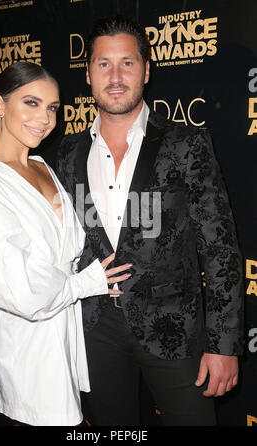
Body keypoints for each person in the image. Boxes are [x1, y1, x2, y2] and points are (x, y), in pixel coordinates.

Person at [55, 16, 244, 426]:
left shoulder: (185, 143)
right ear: (88, 74)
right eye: (104, 64)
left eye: (128, 62)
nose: (116, 75)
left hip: (175, 329)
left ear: (146, 70)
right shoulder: (67, 153)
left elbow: (221, 249)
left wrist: (224, 344)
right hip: (95, 329)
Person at [0, 61, 132, 426]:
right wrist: (88, 283)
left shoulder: (42, 166)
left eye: (52, 108)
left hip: (65, 343)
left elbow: (68, 248)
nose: (46, 118)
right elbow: (22, 292)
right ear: (0, 105)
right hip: (29, 354)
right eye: (31, 103)